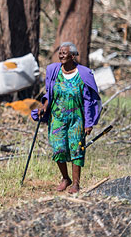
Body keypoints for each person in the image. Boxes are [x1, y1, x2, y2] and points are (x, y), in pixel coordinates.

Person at [32, 41, 101, 194]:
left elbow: (88, 101)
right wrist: (44, 107)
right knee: (58, 147)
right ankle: (65, 178)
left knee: (77, 149)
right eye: (60, 52)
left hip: (77, 118)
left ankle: (76, 184)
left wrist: (89, 123)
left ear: (73, 55)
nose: (61, 55)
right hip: (57, 117)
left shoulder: (83, 73)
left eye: (65, 52)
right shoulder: (53, 70)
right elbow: (50, 93)